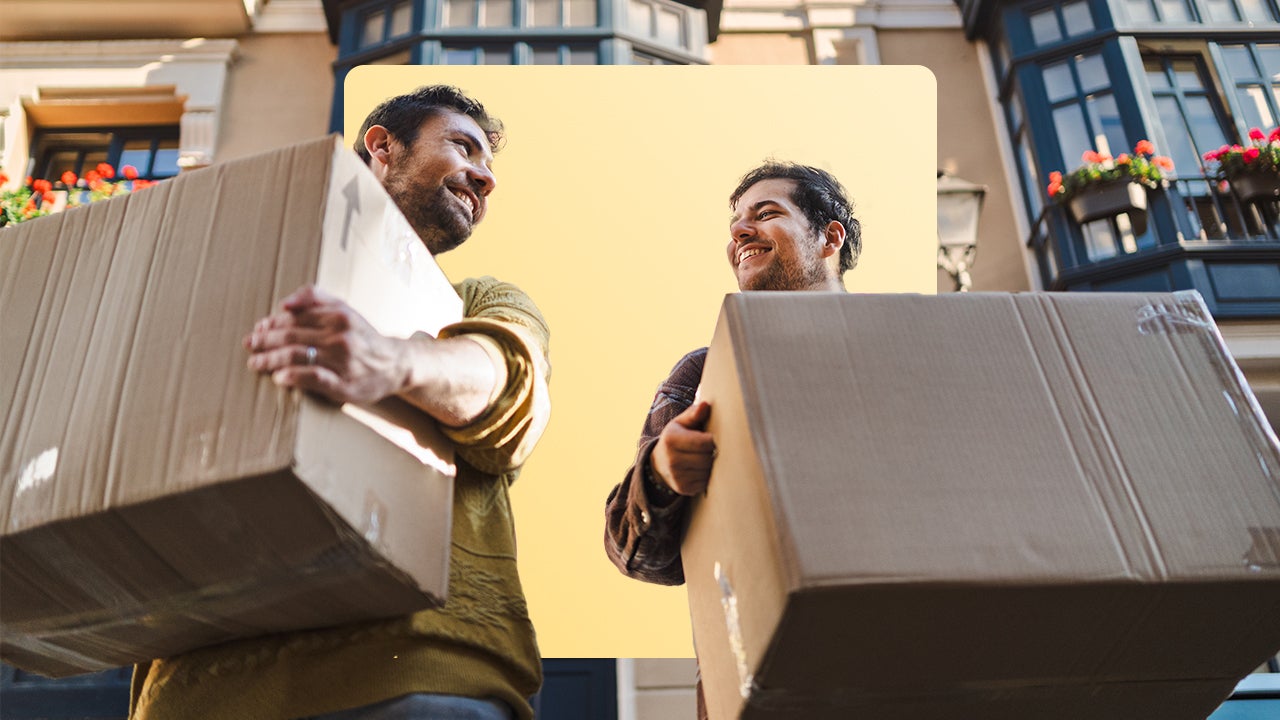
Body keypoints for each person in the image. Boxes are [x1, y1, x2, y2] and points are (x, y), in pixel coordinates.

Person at [130, 86, 550, 720]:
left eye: (489, 166)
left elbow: (508, 381)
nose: (484, 178)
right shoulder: (241, 266)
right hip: (202, 681)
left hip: (412, 671)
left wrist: (390, 360)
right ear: (382, 145)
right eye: (463, 146)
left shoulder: (480, 300)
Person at [603, 161, 861, 717]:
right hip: (762, 685)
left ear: (829, 237)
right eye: (735, 223)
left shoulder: (907, 347)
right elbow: (633, 554)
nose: (739, 233)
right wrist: (661, 477)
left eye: (766, 214)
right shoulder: (703, 375)